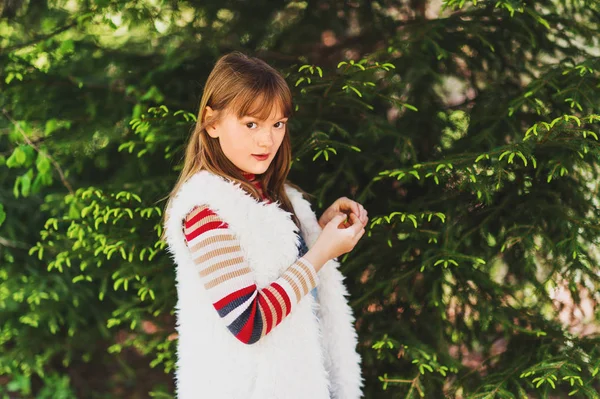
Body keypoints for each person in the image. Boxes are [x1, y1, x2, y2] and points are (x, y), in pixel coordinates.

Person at [161, 51, 368, 399]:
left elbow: (277, 269)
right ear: (212, 122)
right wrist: (320, 253)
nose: (267, 140)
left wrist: (318, 229)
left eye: (278, 124)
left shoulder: (270, 196)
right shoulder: (206, 210)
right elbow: (248, 321)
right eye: (251, 123)